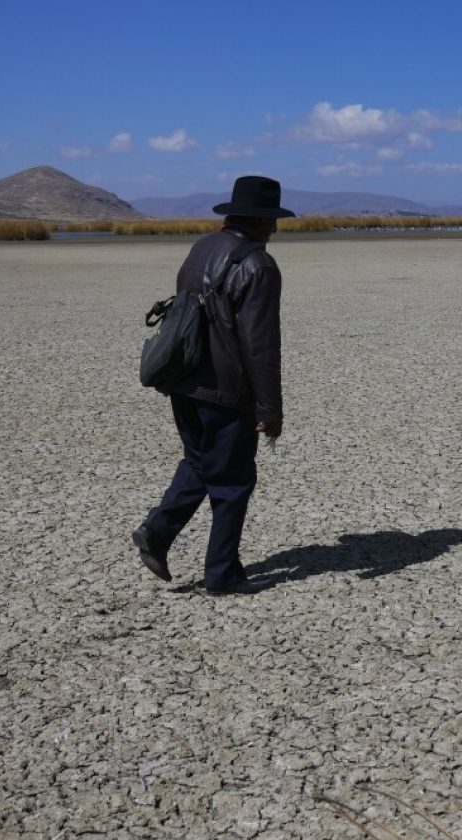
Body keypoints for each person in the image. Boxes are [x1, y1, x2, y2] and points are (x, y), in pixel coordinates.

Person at [132, 175, 295, 595]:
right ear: (259, 220)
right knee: (233, 481)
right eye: (272, 220)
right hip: (226, 391)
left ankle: (157, 531)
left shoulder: (202, 247)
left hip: (184, 380)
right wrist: (270, 409)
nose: (274, 229)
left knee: (201, 462)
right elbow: (260, 346)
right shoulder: (258, 265)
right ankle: (222, 574)